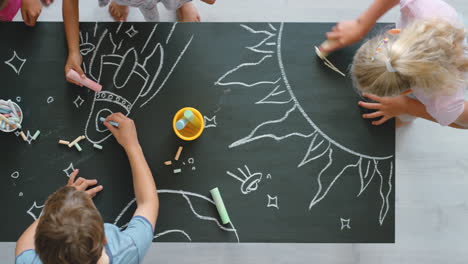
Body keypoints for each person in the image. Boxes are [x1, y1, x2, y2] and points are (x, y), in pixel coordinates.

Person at [15, 113, 159, 264]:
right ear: (104, 239)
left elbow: (22, 245)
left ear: (39, 247)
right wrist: (132, 145)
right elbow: (148, 203)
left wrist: (60, 206)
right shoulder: (126, 250)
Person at [324, 0, 467, 128]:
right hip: (453, 30)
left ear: (407, 91)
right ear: (393, 32)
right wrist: (361, 24)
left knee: (399, 123)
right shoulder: (421, 7)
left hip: (455, 76)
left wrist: (407, 107)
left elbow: (465, 123)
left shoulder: (444, 100)